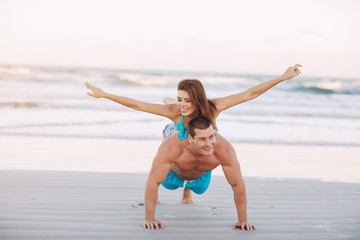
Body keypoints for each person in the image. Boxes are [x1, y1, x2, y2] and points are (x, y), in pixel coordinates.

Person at [84, 64, 301, 202]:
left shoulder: (213, 107)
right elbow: (139, 106)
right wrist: (105, 95)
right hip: (177, 135)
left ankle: (187, 189)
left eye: (187, 101)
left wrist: (281, 77)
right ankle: (170, 113)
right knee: (171, 136)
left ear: (198, 98)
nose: (184, 105)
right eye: (180, 100)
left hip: (199, 143)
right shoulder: (175, 112)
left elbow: (249, 94)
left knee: (200, 164)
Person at [143, 116, 255, 230]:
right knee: (167, 149)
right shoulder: (171, 147)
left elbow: (237, 184)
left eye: (211, 136)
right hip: (172, 175)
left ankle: (187, 190)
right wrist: (149, 218)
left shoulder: (224, 150)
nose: (209, 144)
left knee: (200, 188)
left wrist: (243, 220)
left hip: (200, 178)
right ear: (190, 138)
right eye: (202, 139)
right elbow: (153, 181)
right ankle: (175, 124)